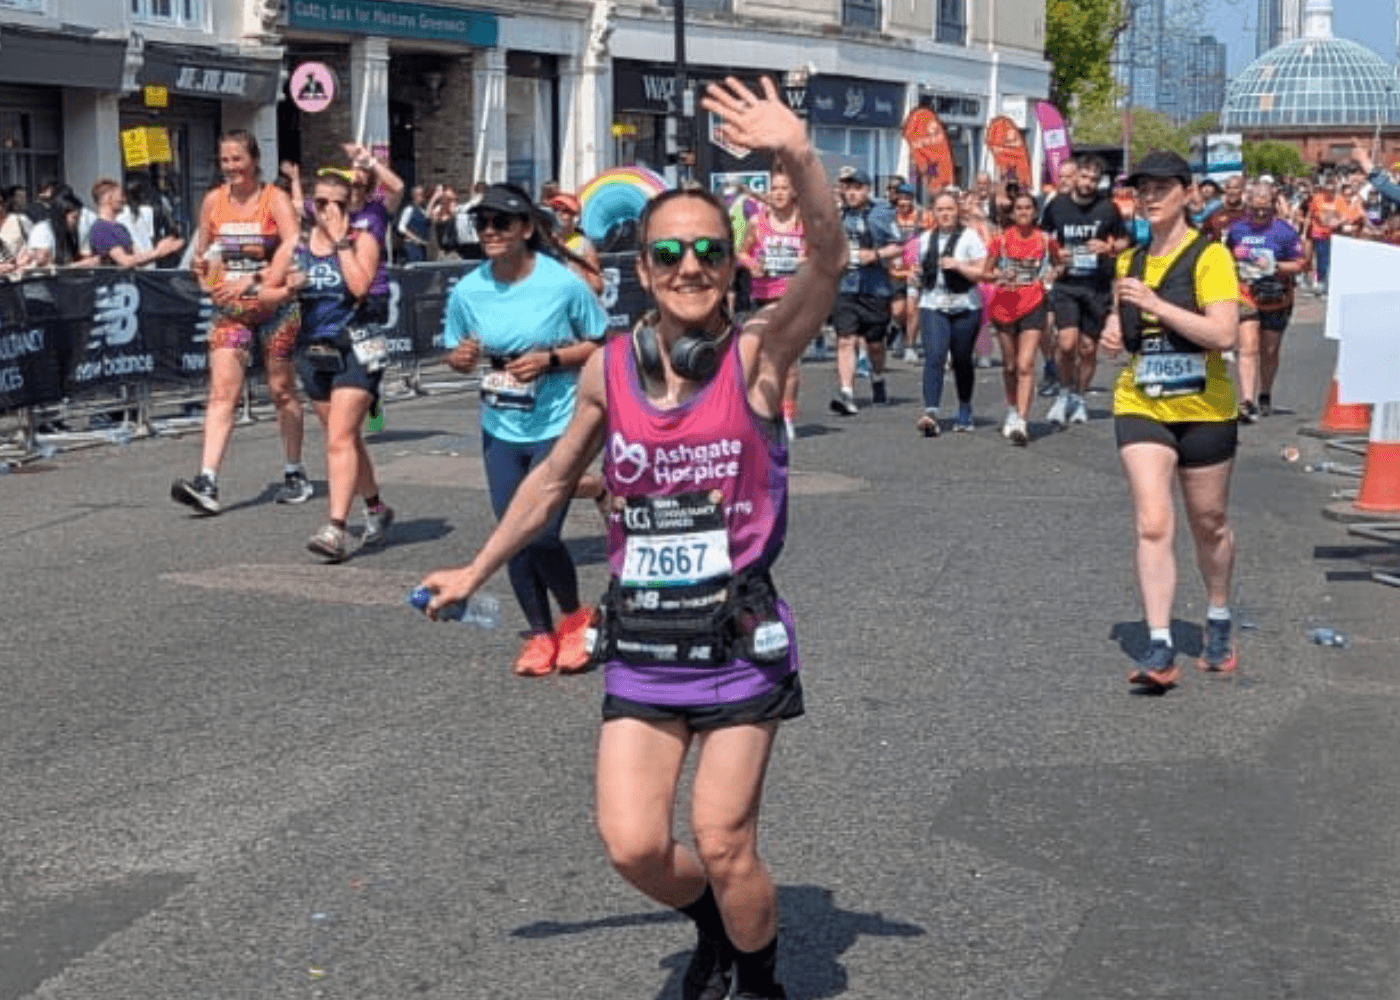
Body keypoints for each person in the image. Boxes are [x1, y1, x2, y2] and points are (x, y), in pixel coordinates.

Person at [419, 76, 840, 1000]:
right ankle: (714, 929)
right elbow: (555, 480)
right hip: (645, 641)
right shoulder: (612, 370)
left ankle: (759, 981)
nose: (691, 269)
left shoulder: (758, 355)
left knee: (726, 841)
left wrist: (799, 155)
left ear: (730, 266)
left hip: (738, 641)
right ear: (642, 272)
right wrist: (477, 569)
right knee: (635, 845)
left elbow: (830, 259)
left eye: (708, 254)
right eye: (670, 257)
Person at [440, 183, 607, 677]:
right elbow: (456, 354)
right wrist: (461, 359)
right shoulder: (468, 290)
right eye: (482, 223)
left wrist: (552, 359)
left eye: (501, 222)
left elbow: (600, 344)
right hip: (500, 423)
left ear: (526, 228)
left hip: (556, 419)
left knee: (543, 533)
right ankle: (539, 633)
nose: (490, 231)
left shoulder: (562, 283)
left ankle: (575, 617)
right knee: (512, 534)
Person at [1101, 151, 1241, 689]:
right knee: (1154, 521)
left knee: (1210, 524)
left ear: (1187, 193)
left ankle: (1220, 616)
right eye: (1142, 189)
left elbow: (1223, 335)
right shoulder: (1129, 262)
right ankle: (1160, 646)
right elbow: (1124, 331)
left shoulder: (1210, 258)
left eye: (1162, 187)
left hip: (1205, 408)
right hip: (1143, 402)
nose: (1150, 197)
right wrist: (1115, 334)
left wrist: (1157, 305)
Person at [256, 169, 395, 560]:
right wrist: (288, 289)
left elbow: (360, 286)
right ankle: (376, 510)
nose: (328, 209)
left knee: (338, 438)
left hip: (357, 345)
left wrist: (339, 243)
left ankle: (334, 529)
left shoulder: (361, 239)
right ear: (311, 204)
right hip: (314, 350)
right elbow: (267, 292)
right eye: (321, 202)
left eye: (337, 202)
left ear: (351, 203)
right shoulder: (296, 243)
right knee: (345, 437)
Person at [170, 130, 304, 515]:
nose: (231, 168)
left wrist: (258, 280)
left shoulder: (274, 199)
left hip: (276, 308)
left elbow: (294, 249)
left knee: (281, 391)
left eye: (237, 160)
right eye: (225, 160)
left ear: (254, 160)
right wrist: (209, 281)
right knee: (221, 394)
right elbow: (204, 255)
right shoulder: (213, 201)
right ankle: (207, 480)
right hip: (231, 313)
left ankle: (294, 470)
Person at [1040, 153, 1128, 427]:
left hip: (1096, 286)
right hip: (1067, 284)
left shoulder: (1108, 208)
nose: (1088, 183)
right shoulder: (1058, 205)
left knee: (1088, 349)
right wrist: (1056, 253)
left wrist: (1109, 247)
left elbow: (1127, 240)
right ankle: (1063, 394)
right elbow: (1043, 236)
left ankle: (1079, 398)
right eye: (1084, 176)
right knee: (1066, 344)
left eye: (1094, 179)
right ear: (1075, 176)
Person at [1224, 181, 1305, 421]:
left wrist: (1276, 266)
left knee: (1269, 350)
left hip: (1276, 296)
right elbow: (1226, 256)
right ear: (1247, 204)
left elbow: (1300, 264)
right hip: (1247, 293)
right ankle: (1246, 400)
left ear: (1273, 206)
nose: (1260, 214)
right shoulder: (1237, 230)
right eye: (1255, 209)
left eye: (1265, 209)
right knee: (1247, 347)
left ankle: (1265, 393)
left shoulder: (1284, 231)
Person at [910, 190, 988, 436]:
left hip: (965, 305)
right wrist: (914, 277)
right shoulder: (924, 239)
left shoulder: (970, 238)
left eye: (950, 209)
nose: (945, 214)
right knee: (934, 355)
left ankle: (964, 408)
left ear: (958, 212)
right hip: (933, 304)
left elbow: (981, 273)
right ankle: (931, 412)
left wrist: (958, 265)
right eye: (940, 209)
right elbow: (914, 270)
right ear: (933, 212)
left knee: (962, 360)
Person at [984, 191, 1056, 445]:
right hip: (1004, 306)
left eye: (1028, 208)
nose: (1024, 212)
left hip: (1033, 304)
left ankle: (1022, 423)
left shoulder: (1045, 240)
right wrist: (1000, 276)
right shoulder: (1001, 241)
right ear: (1012, 213)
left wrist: (1052, 275)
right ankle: (1012, 409)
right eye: (1019, 208)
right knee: (1010, 366)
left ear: (1035, 212)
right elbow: (986, 272)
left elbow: (1059, 264)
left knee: (1026, 364)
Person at [739, 168, 806, 440]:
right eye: (774, 188)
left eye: (783, 188)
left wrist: (801, 262)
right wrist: (752, 264)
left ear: (793, 193)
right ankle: (763, 411)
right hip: (762, 296)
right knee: (759, 361)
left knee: (787, 362)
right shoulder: (758, 224)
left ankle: (787, 417)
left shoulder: (803, 225)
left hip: (791, 298)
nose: (778, 193)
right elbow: (741, 252)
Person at [830, 168, 902, 414]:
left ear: (867, 189)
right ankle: (847, 393)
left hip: (875, 288)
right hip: (845, 286)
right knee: (845, 339)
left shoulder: (881, 213)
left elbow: (898, 246)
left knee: (875, 345)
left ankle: (878, 377)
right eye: (847, 188)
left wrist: (876, 254)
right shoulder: (836, 214)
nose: (851, 193)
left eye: (856, 188)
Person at [87, 178, 183, 269]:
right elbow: (125, 261)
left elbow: (136, 258)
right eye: (120, 195)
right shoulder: (101, 228)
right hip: (115, 285)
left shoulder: (121, 227)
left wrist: (162, 249)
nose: (124, 200)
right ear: (109, 199)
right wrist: (158, 252)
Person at [547, 191, 605, 295]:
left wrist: (577, 270)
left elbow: (598, 287)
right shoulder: (546, 241)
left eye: (565, 211)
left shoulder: (584, 245)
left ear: (573, 215)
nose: (559, 214)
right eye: (555, 210)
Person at [1202, 174, 1247, 242]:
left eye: (1235, 188)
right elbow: (1201, 238)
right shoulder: (1214, 214)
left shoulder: (1250, 214)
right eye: (1228, 188)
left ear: (1243, 190)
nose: (1231, 191)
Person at [396, 184, 432, 263]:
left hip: (422, 247)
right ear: (414, 196)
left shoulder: (423, 210)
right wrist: (414, 238)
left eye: (423, 194)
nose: (422, 197)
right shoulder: (409, 209)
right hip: (411, 247)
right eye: (420, 194)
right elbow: (401, 227)